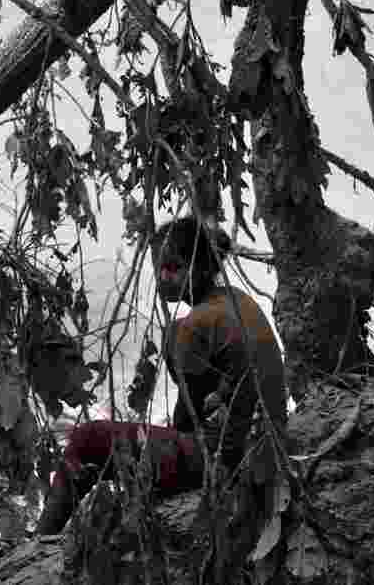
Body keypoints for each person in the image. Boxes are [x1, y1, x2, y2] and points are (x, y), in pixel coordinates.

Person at [35, 216, 287, 535]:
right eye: (160, 268)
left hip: (226, 459)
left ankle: (43, 537)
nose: (164, 277)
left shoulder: (195, 326)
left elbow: (186, 420)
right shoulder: (237, 300)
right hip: (265, 444)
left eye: (175, 267)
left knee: (87, 439)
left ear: (202, 268)